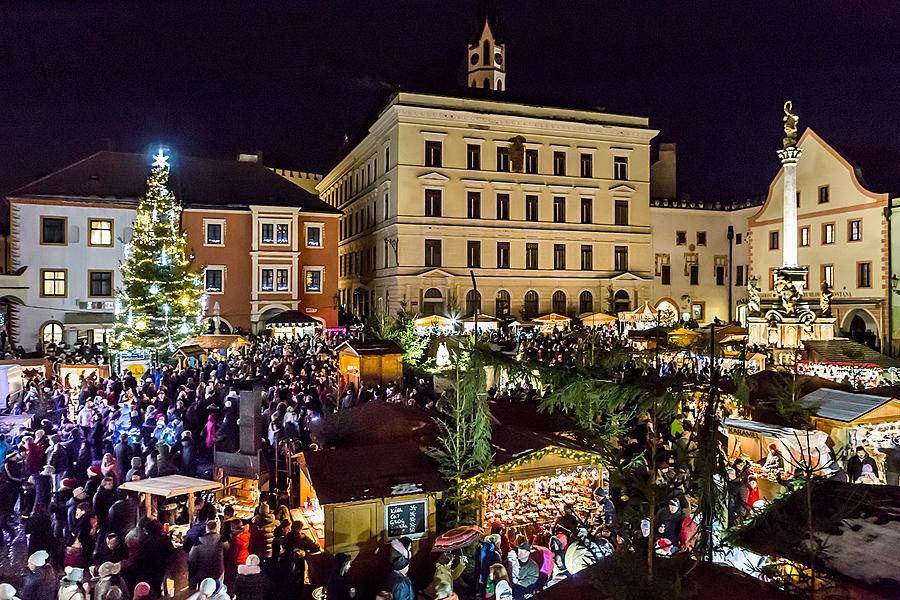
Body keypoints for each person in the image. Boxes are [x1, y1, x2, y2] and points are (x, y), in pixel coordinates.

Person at [188, 521, 228, 589]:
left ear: (206, 528)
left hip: (203, 572)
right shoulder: (222, 540)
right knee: (218, 590)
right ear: (217, 528)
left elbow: (192, 559)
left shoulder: (198, 542)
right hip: (219, 572)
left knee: (204, 591)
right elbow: (227, 551)